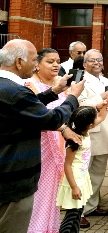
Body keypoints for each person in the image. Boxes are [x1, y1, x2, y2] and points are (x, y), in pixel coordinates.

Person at [0, 39, 84, 233]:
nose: (35, 64)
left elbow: (24, 109)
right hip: (14, 179)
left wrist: (55, 91)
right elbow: (50, 120)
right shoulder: (17, 90)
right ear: (19, 62)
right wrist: (72, 98)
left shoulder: (8, 88)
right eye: (33, 59)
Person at [24, 48, 75, 233]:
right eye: (50, 61)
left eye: (58, 61)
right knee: (38, 194)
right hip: (40, 146)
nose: (55, 65)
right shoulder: (30, 87)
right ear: (37, 65)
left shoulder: (62, 85)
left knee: (53, 194)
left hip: (60, 145)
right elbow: (38, 117)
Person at [56, 105, 108, 233]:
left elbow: (101, 116)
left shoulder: (84, 130)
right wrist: (74, 187)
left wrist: (103, 105)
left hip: (82, 179)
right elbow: (67, 165)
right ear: (90, 125)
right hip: (74, 182)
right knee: (71, 217)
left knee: (78, 213)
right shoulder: (75, 140)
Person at [78, 49, 108, 229]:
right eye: (92, 60)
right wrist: (101, 97)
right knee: (83, 174)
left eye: (99, 59)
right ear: (85, 64)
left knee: (98, 173)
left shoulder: (107, 81)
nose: (97, 63)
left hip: (105, 131)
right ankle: (79, 212)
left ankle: (91, 206)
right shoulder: (80, 81)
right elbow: (79, 103)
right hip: (89, 131)